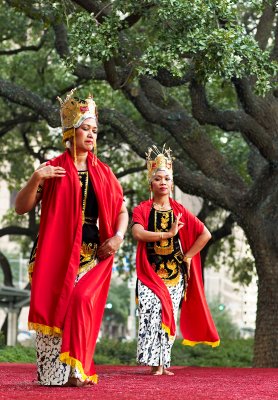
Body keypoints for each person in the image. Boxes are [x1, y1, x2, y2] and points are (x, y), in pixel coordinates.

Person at [15, 89, 128, 386]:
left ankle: (77, 367)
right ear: (70, 131)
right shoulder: (51, 169)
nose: (91, 135)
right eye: (85, 129)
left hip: (90, 254)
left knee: (79, 301)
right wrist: (35, 178)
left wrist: (118, 237)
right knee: (54, 308)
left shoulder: (103, 173)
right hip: (52, 252)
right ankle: (52, 372)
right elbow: (20, 207)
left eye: (95, 130)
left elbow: (121, 212)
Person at [131, 145, 219, 376]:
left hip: (174, 273)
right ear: (150, 184)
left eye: (167, 178)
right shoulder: (142, 209)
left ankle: (163, 363)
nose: (162, 182)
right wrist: (167, 235)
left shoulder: (180, 211)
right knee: (150, 310)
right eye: (157, 178)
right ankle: (153, 364)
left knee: (169, 314)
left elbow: (205, 234)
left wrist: (188, 256)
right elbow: (138, 233)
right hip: (149, 271)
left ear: (172, 184)